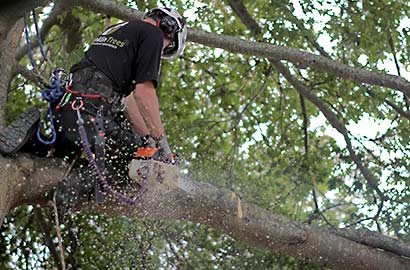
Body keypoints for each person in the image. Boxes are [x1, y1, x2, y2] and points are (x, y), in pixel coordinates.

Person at [0, 7, 187, 206]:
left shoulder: (117, 32)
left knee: (58, 153)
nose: (162, 49)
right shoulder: (153, 34)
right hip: (94, 114)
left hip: (68, 109)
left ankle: (33, 137)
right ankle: (75, 187)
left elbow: (129, 101)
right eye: (167, 47)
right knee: (131, 165)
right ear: (168, 28)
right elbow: (144, 94)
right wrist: (163, 145)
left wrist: (148, 141)